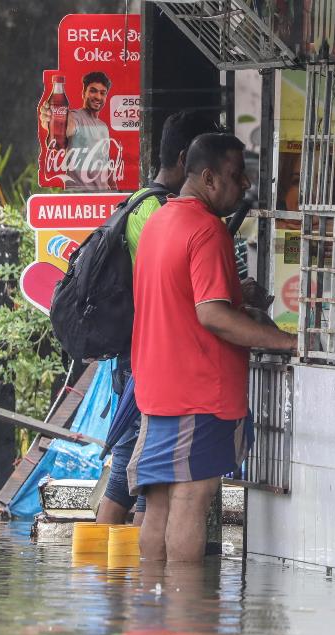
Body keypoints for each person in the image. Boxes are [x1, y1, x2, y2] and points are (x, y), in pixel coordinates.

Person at [127, 133, 296, 562]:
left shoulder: (158, 222)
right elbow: (212, 315)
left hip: (155, 388)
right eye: (236, 176)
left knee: (160, 502)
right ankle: (186, 620)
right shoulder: (207, 230)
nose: (244, 186)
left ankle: (150, 617)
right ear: (208, 178)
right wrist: (286, 341)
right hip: (197, 392)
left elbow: (180, 297)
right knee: (192, 498)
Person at [96, 111, 228, 528]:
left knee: (137, 476)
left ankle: (122, 583)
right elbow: (179, 291)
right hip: (150, 364)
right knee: (141, 481)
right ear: (190, 159)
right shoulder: (159, 214)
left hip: (140, 359)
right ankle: (126, 581)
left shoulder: (145, 204)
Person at [67, 71, 114, 189]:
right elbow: (66, 130)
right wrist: (51, 120)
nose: (98, 97)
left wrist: (114, 191)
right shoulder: (74, 116)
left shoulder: (103, 126)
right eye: (93, 91)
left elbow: (105, 163)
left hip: (103, 197)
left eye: (102, 93)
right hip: (80, 198)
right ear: (83, 93)